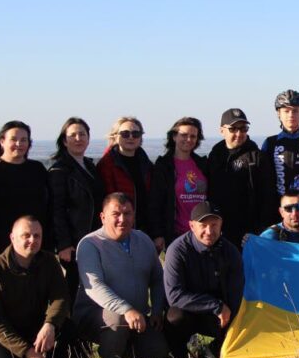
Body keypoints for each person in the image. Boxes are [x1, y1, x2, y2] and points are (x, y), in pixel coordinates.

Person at [74, 193, 168, 358]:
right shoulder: (90, 244)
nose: (122, 219)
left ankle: (120, 349)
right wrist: (126, 309)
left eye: (127, 213)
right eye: (116, 214)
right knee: (117, 319)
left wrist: (157, 309)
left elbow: (158, 278)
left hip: (137, 317)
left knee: (160, 350)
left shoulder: (144, 240)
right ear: (103, 217)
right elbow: (95, 286)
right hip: (96, 317)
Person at [0, 216, 71, 358]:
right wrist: (26, 351)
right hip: (1, 333)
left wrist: (50, 325)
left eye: (37, 236)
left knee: (69, 328)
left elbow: (61, 298)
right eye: (26, 235)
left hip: (35, 326)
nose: (32, 240)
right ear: (12, 238)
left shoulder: (49, 262)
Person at [163, 202, 244, 358]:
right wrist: (216, 306)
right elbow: (174, 296)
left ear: (221, 225)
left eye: (214, 225)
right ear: (192, 226)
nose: (209, 231)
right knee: (174, 317)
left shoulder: (231, 251)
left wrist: (229, 313)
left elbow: (237, 293)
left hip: (219, 315)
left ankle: (211, 353)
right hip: (189, 309)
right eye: (203, 225)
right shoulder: (177, 250)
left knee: (240, 318)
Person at [0, 121, 51, 260]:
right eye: (14, 139)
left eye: (24, 140)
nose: (19, 144)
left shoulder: (37, 169)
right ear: (2, 142)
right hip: (2, 246)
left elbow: (49, 205)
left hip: (37, 244)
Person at [48, 117, 105, 299]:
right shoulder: (59, 171)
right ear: (64, 141)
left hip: (94, 237)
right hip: (74, 242)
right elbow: (56, 210)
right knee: (76, 289)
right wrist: (64, 244)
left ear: (88, 138)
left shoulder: (90, 166)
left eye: (82, 134)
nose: (78, 138)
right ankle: (68, 317)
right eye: (73, 135)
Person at [206, 108, 277, 246]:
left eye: (243, 129)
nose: (239, 133)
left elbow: (268, 196)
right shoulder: (215, 155)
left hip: (249, 231)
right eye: (233, 129)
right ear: (222, 130)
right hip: (220, 228)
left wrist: (261, 229)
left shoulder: (257, 157)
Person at [150, 117, 208, 252]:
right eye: (184, 135)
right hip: (176, 236)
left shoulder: (203, 165)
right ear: (174, 136)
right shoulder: (164, 166)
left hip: (203, 234)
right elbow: (155, 202)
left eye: (193, 136)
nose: (188, 139)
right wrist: (157, 234)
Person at [261, 90, 299, 214]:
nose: (291, 115)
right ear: (279, 114)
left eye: (295, 111)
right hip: (277, 211)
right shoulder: (270, 143)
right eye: (286, 111)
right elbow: (263, 181)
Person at [96, 116, 154, 247]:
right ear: (115, 136)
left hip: (144, 230)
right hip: (117, 230)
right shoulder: (106, 165)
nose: (131, 137)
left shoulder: (147, 164)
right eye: (125, 134)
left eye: (135, 134)